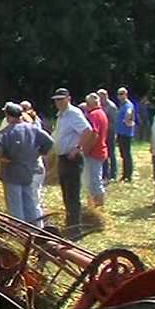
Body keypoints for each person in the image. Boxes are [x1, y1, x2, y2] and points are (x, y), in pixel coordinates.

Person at [0, 102, 53, 223]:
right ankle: (33, 229)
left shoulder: (6, 132)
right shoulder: (33, 129)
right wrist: (38, 154)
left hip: (11, 173)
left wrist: (1, 157)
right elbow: (49, 141)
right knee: (29, 204)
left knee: (15, 207)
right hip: (28, 172)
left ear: (8, 116)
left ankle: (18, 231)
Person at [51, 88, 94, 240]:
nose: (58, 102)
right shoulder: (61, 115)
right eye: (56, 100)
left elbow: (87, 130)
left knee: (72, 195)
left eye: (61, 99)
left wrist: (77, 148)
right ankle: (70, 226)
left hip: (72, 159)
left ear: (68, 99)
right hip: (62, 158)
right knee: (66, 194)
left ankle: (75, 230)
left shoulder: (74, 113)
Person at [82, 93, 109, 207]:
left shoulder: (94, 115)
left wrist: (86, 149)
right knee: (94, 180)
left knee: (93, 182)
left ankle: (98, 208)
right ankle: (93, 206)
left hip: (94, 152)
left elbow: (94, 134)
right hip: (100, 150)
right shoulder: (102, 113)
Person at [115, 87, 137, 183]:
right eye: (119, 94)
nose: (120, 96)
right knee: (123, 154)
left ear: (126, 95)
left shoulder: (128, 105)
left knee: (126, 154)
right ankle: (125, 174)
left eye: (122, 94)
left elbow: (129, 112)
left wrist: (127, 119)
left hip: (126, 133)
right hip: (120, 133)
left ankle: (128, 175)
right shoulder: (121, 105)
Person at [97, 89, 119, 182]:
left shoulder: (111, 107)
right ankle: (105, 173)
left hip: (110, 133)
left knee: (111, 153)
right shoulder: (99, 106)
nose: (100, 99)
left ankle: (113, 174)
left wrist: (104, 125)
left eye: (102, 97)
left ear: (106, 96)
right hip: (103, 133)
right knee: (104, 153)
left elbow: (114, 122)